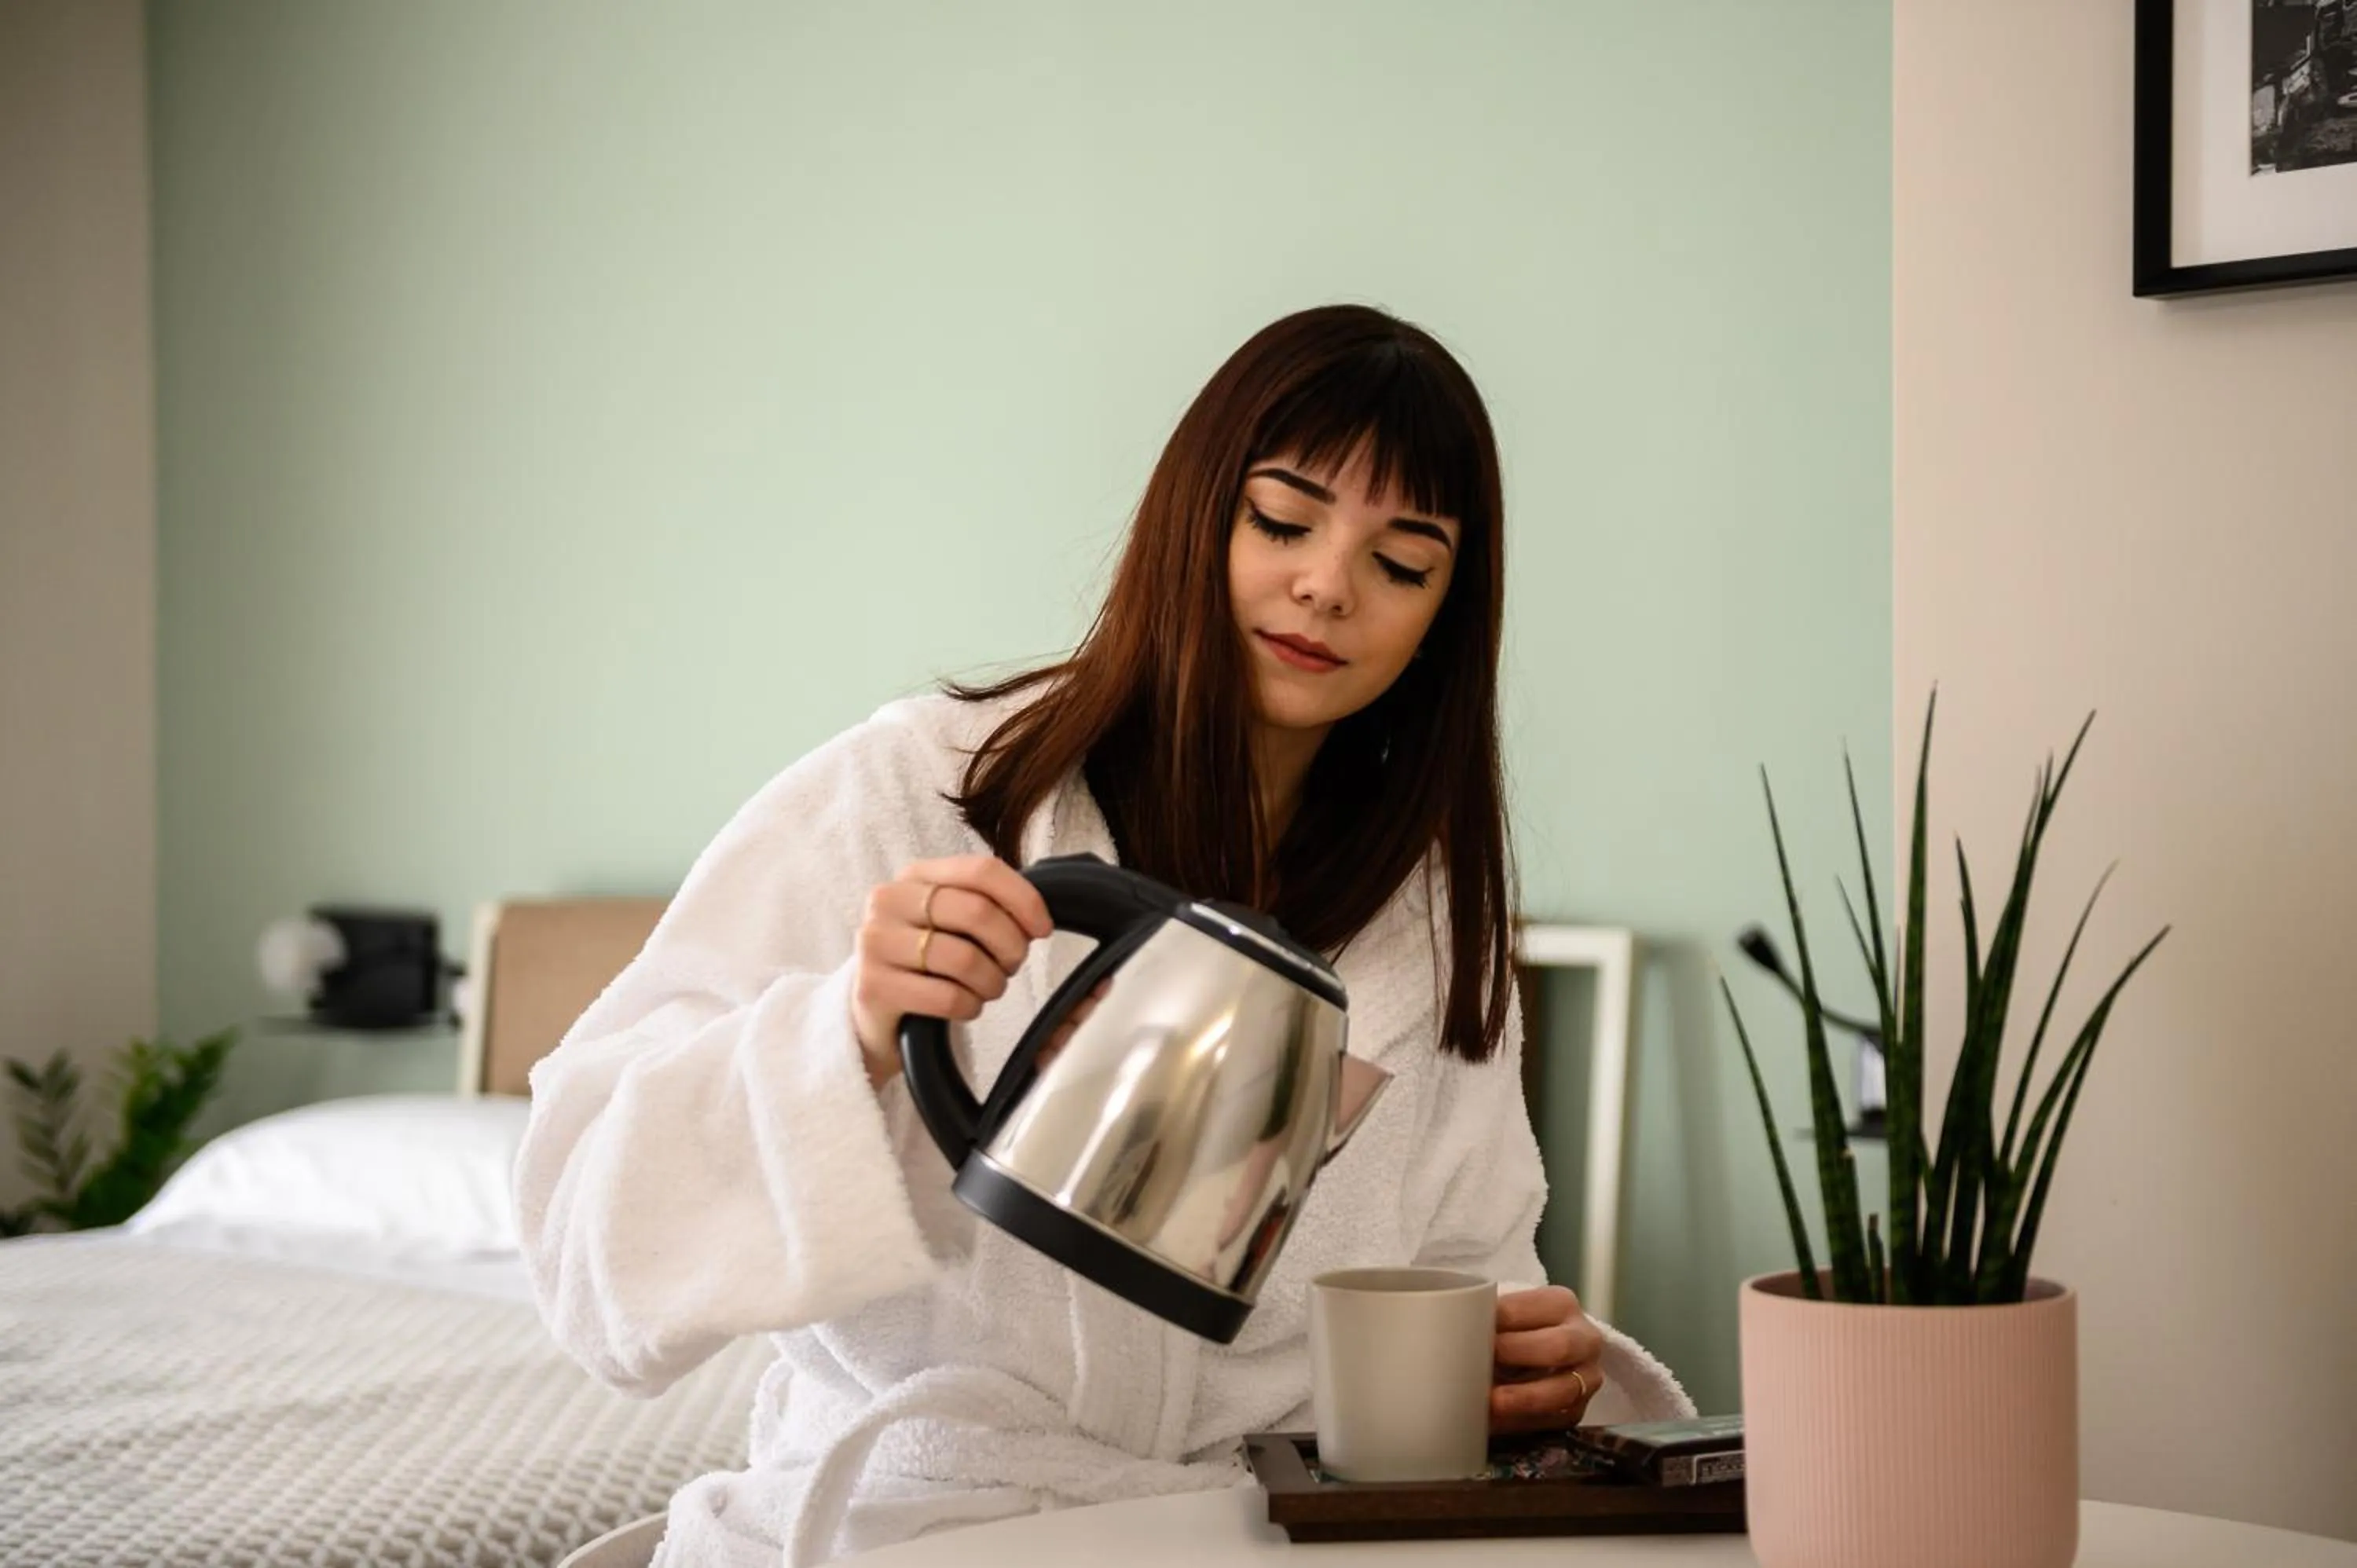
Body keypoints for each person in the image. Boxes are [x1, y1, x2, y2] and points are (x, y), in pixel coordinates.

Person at [516, 304, 1693, 1568]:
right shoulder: (920, 792)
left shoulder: (1434, 927)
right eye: (1283, 522)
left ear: (1443, 619)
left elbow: (1472, 1265)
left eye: (1402, 565)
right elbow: (587, 1248)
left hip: (1249, 1531)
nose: (1327, 586)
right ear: (1194, 516)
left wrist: (1515, 1371)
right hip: (905, 1520)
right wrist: (847, 1031)